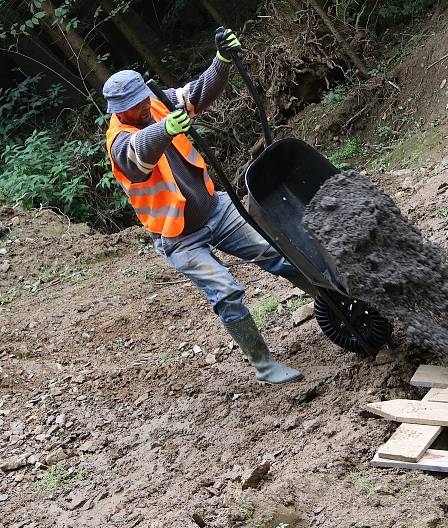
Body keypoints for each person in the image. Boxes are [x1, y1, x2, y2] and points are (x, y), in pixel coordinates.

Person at [102, 28, 304, 384]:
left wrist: (222, 62)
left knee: (277, 252)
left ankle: (334, 302)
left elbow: (197, 92)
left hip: (215, 209)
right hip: (178, 236)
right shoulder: (118, 141)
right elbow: (139, 154)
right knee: (225, 291)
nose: (141, 107)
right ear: (119, 110)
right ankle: (264, 364)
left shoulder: (156, 99)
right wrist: (164, 128)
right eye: (132, 107)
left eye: (141, 100)